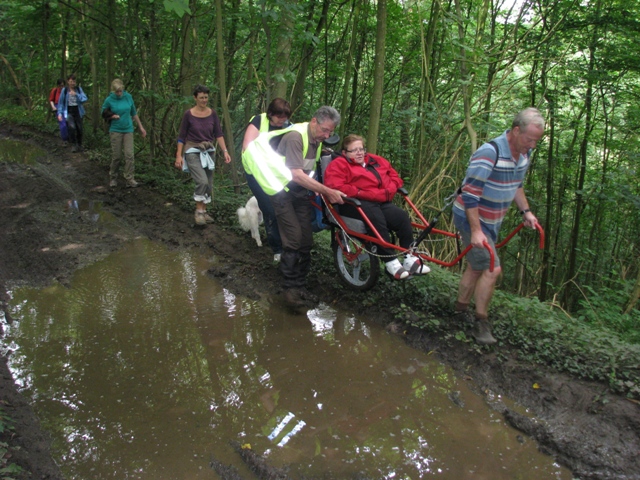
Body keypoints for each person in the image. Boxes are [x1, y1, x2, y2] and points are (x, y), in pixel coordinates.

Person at [452, 107, 544, 345]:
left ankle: (459, 311)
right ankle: (481, 322)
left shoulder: (523, 155)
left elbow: (516, 185)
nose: (532, 145)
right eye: (529, 139)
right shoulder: (489, 152)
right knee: (492, 269)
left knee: (476, 266)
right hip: (471, 217)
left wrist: (527, 212)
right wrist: (476, 231)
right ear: (515, 131)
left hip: (492, 220)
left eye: (536, 141)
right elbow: (470, 194)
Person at [242, 106, 346, 307]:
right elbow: (296, 173)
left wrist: (316, 187)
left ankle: (300, 285)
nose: (326, 135)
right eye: (324, 130)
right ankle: (290, 291)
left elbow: (308, 172)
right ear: (314, 121)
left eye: (330, 132)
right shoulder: (295, 137)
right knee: (293, 238)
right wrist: (327, 191)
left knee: (306, 240)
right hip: (280, 192)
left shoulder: (316, 140)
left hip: (299, 192)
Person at [324, 134, 431, 280]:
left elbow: (395, 178)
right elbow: (336, 186)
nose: (359, 152)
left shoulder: (377, 161)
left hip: (380, 201)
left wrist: (387, 191)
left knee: (401, 217)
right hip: (353, 203)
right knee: (375, 219)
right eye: (354, 150)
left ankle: (409, 256)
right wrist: (365, 193)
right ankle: (390, 261)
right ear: (345, 153)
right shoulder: (339, 165)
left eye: (361, 149)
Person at [242, 98, 292, 262]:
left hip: (275, 172)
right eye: (279, 118)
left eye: (285, 118)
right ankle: (277, 249)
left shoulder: (287, 126)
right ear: (271, 114)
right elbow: (247, 146)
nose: (281, 121)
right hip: (256, 172)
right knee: (269, 209)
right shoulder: (259, 121)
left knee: (283, 207)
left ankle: (288, 244)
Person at [174, 85, 232, 226]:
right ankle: (198, 212)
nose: (204, 100)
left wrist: (225, 151)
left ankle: (204, 212)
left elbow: (218, 134)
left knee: (209, 184)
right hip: (192, 150)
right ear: (195, 98)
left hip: (208, 151)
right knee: (202, 181)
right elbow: (181, 137)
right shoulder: (188, 114)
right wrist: (179, 155)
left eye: (206, 97)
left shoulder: (212, 114)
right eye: (201, 98)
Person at [101, 79, 147, 188]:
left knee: (129, 155)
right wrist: (112, 116)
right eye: (117, 92)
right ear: (113, 91)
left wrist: (141, 127)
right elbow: (103, 112)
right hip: (115, 129)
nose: (119, 93)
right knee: (116, 156)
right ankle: (113, 177)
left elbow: (134, 113)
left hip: (128, 129)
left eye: (120, 91)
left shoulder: (128, 97)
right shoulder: (109, 100)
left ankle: (129, 178)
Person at [57, 74, 88, 153]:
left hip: (78, 110)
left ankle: (79, 145)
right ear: (68, 82)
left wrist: (76, 95)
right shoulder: (64, 90)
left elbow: (84, 99)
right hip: (69, 111)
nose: (72, 83)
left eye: (74, 81)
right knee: (71, 127)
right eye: (71, 81)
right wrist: (60, 113)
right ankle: (73, 144)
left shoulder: (78, 89)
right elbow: (61, 103)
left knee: (79, 128)